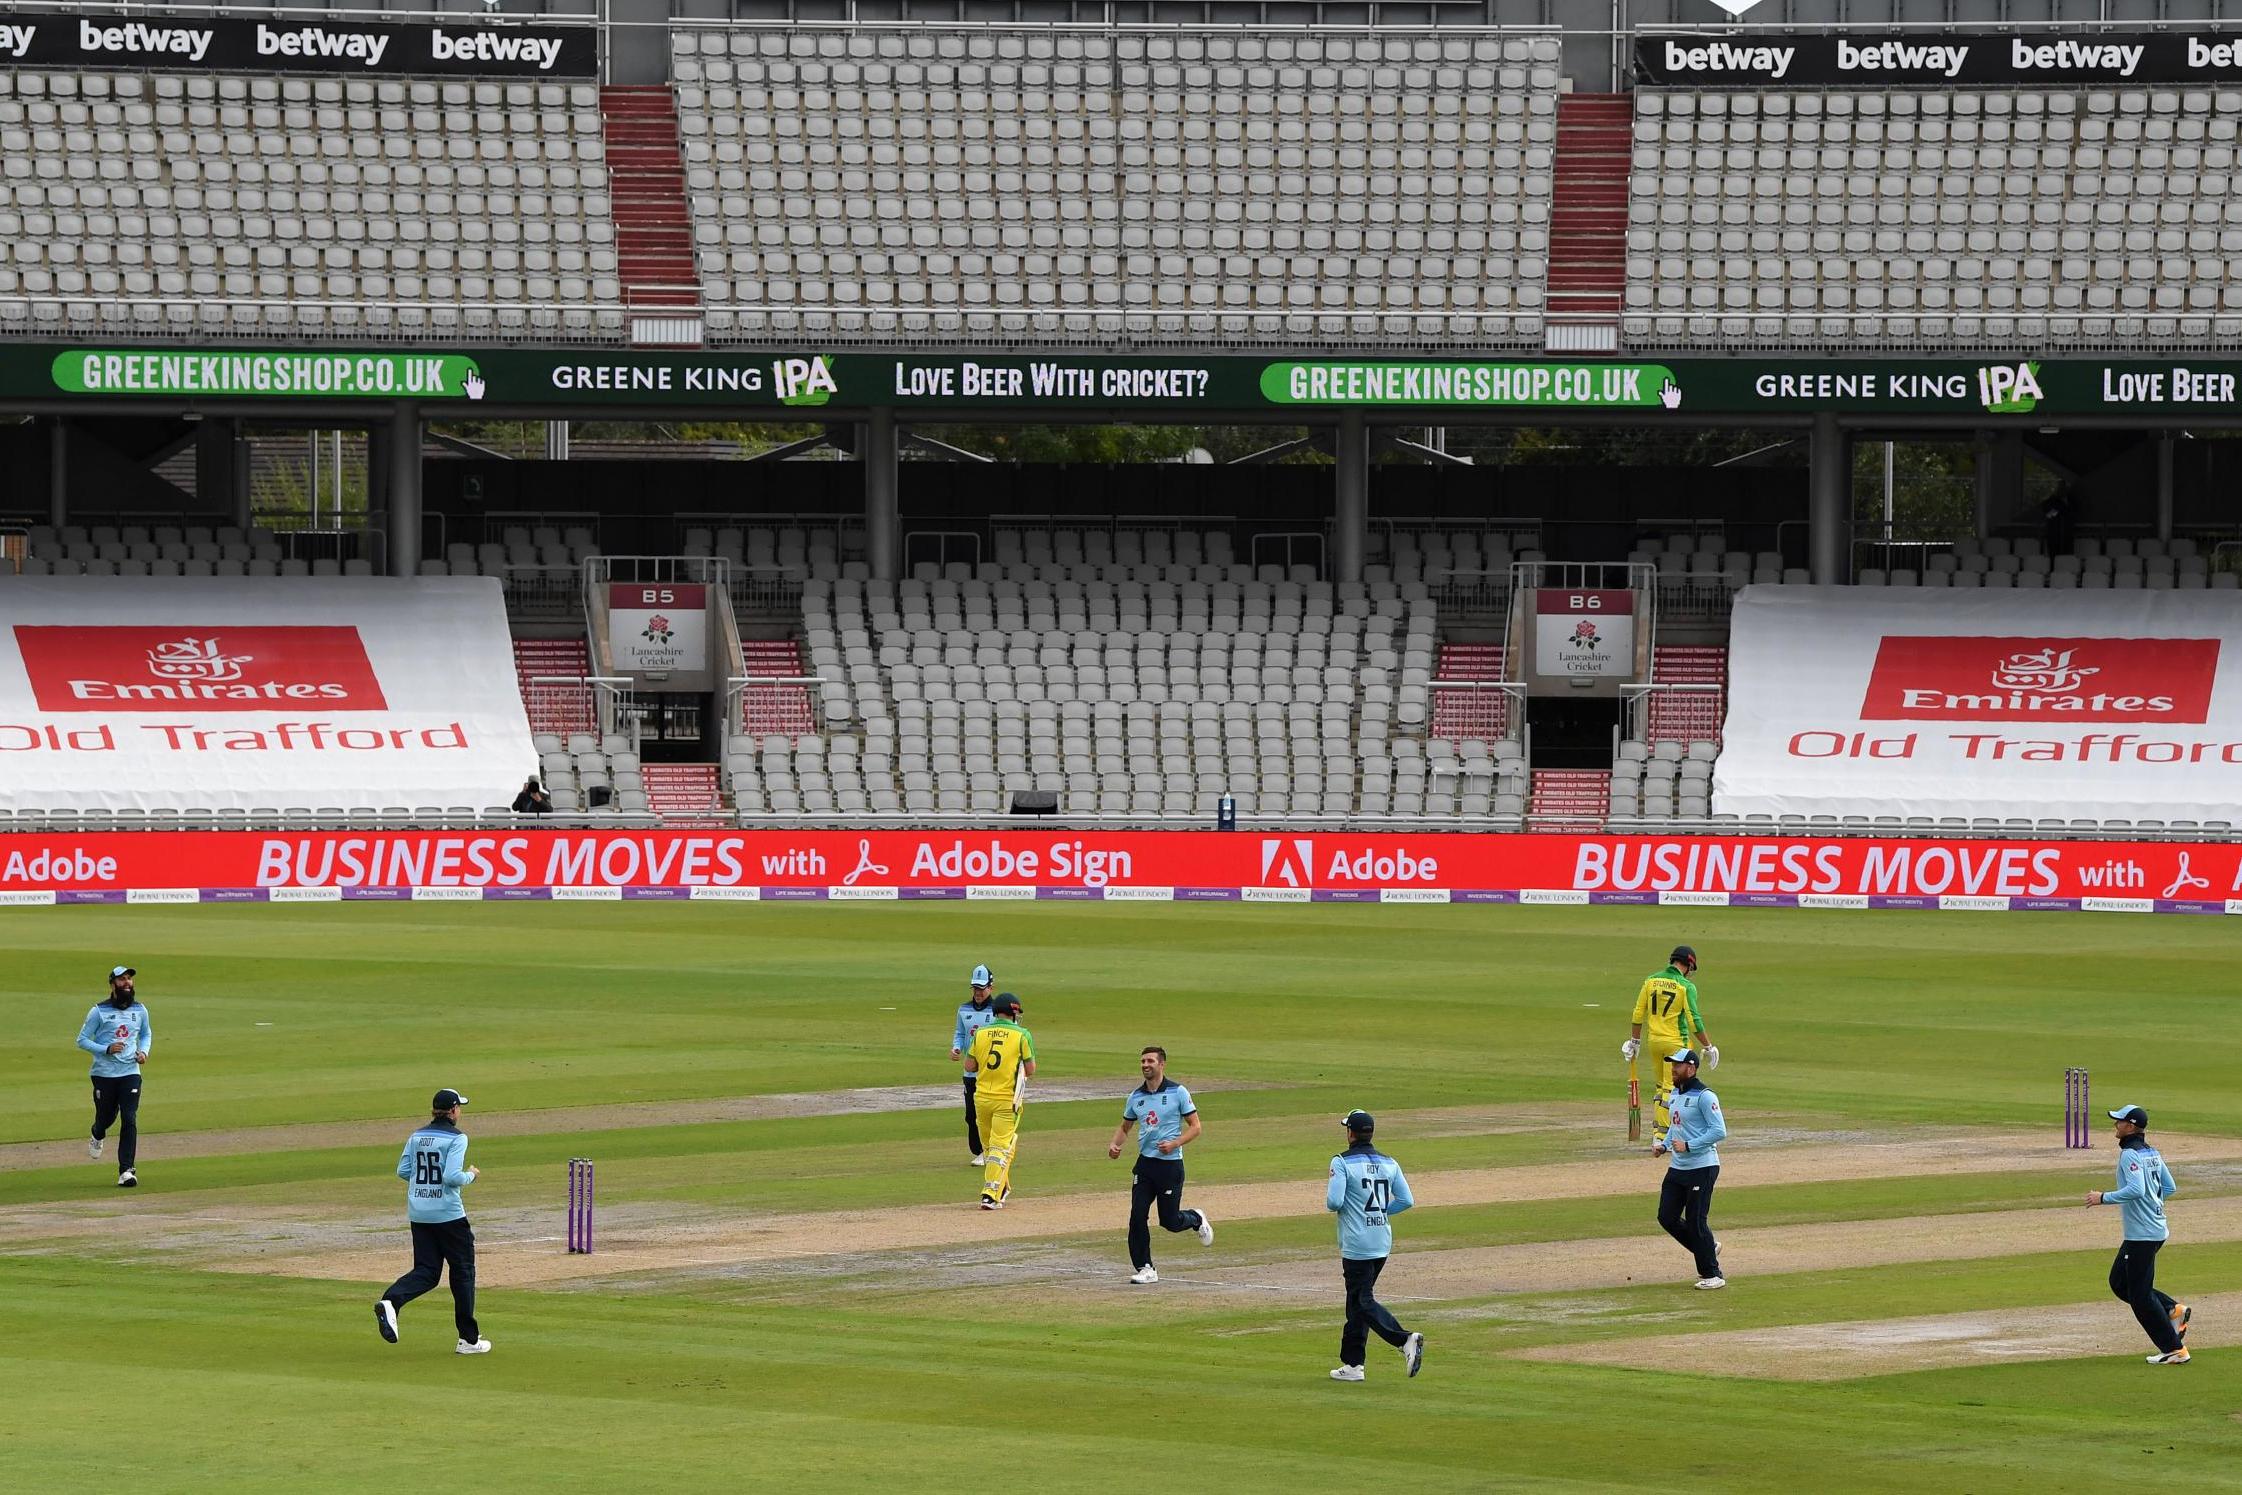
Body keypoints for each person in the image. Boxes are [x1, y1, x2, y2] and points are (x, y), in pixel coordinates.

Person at [375, 1088, 491, 1355]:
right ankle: (468, 1340)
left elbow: (403, 1171)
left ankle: (391, 1301)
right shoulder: (457, 1138)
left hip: (419, 1212)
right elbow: (452, 1177)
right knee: (463, 1271)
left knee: (427, 1271)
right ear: (452, 1111)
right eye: (459, 1107)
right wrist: (471, 1175)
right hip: (448, 1214)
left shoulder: (417, 1135)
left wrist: (423, 1185)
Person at [1326, 1109, 1424, 1382]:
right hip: (1381, 1239)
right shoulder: (1389, 1162)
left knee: (1362, 1300)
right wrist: (1379, 1211)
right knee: (1356, 1302)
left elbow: (1333, 1202)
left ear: (1350, 1133)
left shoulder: (1342, 1162)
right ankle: (1353, 1364)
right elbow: (1406, 1200)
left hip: (1357, 1242)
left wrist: (1358, 1212)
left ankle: (1404, 1339)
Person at [2088, 1104, 2188, 1365]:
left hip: (2143, 1234)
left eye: (2119, 1121)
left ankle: (2174, 1349)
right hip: (2151, 1230)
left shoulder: (2130, 1155)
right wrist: (2152, 1205)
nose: (2115, 1125)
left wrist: (2103, 1198)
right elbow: (2169, 1187)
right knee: (2120, 1283)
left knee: (2140, 1297)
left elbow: (2136, 1189)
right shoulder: (2151, 1152)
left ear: (2130, 1126)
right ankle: (2171, 1309)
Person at [1108, 1045, 1214, 1284]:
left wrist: (1175, 1143)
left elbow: (1196, 1127)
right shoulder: (1136, 1097)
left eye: (1150, 1061)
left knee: (1170, 1222)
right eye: (1143, 1061)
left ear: (1161, 1064)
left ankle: (1195, 1218)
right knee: (1137, 1216)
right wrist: (1115, 1145)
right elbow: (1126, 1126)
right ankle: (1146, 1268)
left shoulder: (1178, 1092)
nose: (1145, 1065)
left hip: (1170, 1166)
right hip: (1145, 1166)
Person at [1622, 945, 1717, 1142]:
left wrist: (1634, 1041)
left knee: (1660, 1088)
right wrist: (1708, 1046)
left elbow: (1638, 1013)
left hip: (1654, 1041)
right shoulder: (1685, 986)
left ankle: (1658, 1134)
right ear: (1689, 965)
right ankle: (1663, 1137)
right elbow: (1694, 1020)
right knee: (1670, 1089)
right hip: (1676, 1043)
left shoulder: (1651, 980)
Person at [1652, 1048, 1726, 1290]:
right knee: (1667, 1217)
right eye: (1672, 1065)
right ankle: (1706, 1246)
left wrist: (1689, 1145)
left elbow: (1719, 1131)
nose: (1673, 1069)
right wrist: (1664, 1145)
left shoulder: (1705, 1096)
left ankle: (1712, 1275)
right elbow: (1676, 1126)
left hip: (1702, 1166)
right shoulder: (1676, 1093)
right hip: (1678, 1167)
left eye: (1678, 1066)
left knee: (1695, 1221)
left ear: (1691, 1068)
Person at [77, 964, 152, 1188]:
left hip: (130, 1072)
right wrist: (106, 1049)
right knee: (106, 1118)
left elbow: (146, 1033)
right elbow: (81, 1040)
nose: (127, 983)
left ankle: (126, 1170)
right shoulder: (98, 1011)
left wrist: (144, 1052)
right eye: (122, 980)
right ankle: (97, 1133)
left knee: (129, 1118)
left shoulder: (140, 1010)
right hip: (104, 1075)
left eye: (129, 979)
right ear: (112, 985)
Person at [965, 993, 1035, 1209]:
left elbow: (969, 1066)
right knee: (1000, 1147)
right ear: (1013, 1013)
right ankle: (991, 1192)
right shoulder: (1022, 1035)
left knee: (990, 1148)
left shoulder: (981, 1033)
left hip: (982, 1098)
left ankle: (998, 1188)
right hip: (1006, 1100)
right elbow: (1030, 1069)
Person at [949, 963, 999, 1164]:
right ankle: (980, 1150)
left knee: (989, 1113)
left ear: (990, 987)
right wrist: (956, 1048)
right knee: (971, 1115)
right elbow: (960, 1033)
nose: (978, 992)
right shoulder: (963, 1009)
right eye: (975, 988)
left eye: (982, 988)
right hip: (970, 1071)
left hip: (991, 1071)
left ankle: (989, 1150)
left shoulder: (998, 1010)